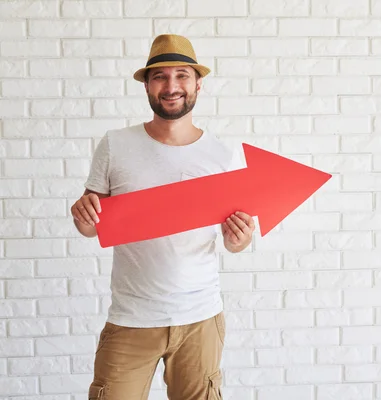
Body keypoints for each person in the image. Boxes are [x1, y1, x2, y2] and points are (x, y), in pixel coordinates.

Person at [70, 34, 254, 399]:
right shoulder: (115, 144)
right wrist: (83, 217)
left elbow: (237, 241)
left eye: (182, 75)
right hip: (131, 318)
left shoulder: (223, 155)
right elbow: (92, 226)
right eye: (160, 77)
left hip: (200, 317)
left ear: (198, 83)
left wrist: (240, 238)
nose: (171, 86)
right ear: (147, 86)